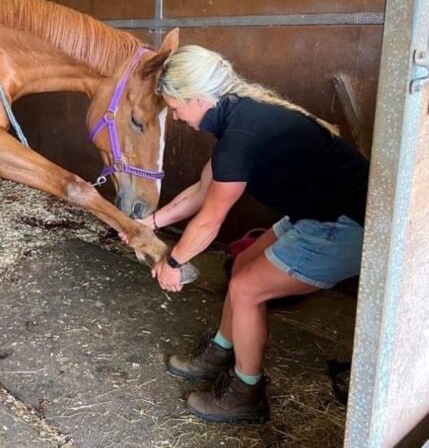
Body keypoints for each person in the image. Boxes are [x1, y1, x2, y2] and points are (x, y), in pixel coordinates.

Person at [135, 45, 368, 423]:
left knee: (245, 289)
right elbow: (201, 191)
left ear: (197, 99)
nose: (176, 117)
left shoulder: (239, 136)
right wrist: (152, 224)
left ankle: (246, 393)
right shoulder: (240, 116)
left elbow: (210, 221)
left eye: (175, 108)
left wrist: (174, 262)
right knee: (243, 263)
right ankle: (222, 350)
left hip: (346, 225)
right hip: (315, 213)